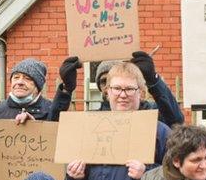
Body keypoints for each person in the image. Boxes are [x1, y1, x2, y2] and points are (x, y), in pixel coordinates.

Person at [52, 51, 183, 127]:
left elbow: (175, 120)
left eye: (127, 87)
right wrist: (66, 90)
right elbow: (52, 129)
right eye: (105, 82)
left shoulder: (151, 113)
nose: (121, 93)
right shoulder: (94, 119)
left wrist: (154, 80)